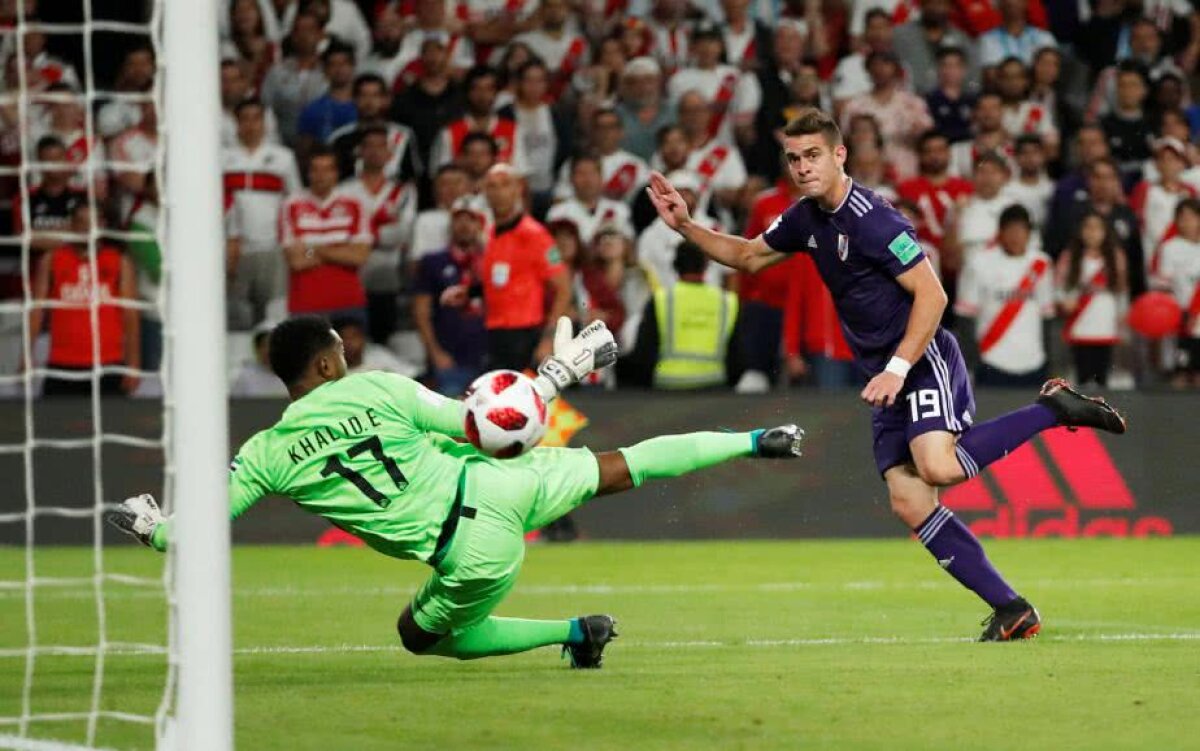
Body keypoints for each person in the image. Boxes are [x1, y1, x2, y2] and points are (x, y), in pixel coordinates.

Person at [645, 107, 1129, 640]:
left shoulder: (874, 218)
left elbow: (933, 294)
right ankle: (1013, 608)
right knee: (910, 500)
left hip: (920, 360)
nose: (803, 168)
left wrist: (900, 367)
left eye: (812, 156)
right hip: (884, 375)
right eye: (793, 158)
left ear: (838, 154)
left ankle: (1051, 410)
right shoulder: (805, 217)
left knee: (938, 466)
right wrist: (686, 225)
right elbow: (749, 256)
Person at [106, 314, 803, 667]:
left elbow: (202, 529)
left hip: (471, 548)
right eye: (341, 354)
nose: (349, 359)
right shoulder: (378, 387)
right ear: (325, 362)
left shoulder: (264, 453)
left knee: (420, 636)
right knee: (626, 465)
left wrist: (152, 527)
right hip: (500, 479)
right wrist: (553, 376)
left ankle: (576, 631)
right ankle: (755, 438)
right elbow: (475, 424)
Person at [27, 203, 140, 397]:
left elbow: (131, 316)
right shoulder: (51, 260)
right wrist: (27, 355)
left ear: (103, 224)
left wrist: (134, 364)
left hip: (109, 364)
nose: (87, 229)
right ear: (71, 225)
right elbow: (36, 311)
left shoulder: (119, 262)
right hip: (62, 364)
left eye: (93, 222)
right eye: (81, 223)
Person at [480, 164, 571, 371]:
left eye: (505, 185)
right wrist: (469, 292)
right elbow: (501, 280)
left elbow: (563, 288)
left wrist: (549, 339)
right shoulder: (491, 233)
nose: (499, 192)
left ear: (518, 189)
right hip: (495, 333)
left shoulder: (535, 235)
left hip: (525, 335)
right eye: (492, 186)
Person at [954, 205, 1055, 387]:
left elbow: (1047, 317)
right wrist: (972, 361)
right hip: (992, 361)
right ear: (1000, 232)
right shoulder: (979, 263)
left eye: (1021, 229)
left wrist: (1049, 360)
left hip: (1034, 362)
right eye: (1010, 229)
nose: (1016, 235)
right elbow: (965, 318)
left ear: (1029, 233)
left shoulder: (1041, 263)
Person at [622, 242, 739, 389]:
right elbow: (738, 355)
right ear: (706, 265)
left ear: (675, 265)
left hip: (668, 384)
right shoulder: (727, 302)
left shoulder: (661, 300)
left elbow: (644, 353)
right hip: (714, 383)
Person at [279, 147, 371, 320]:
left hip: (349, 303)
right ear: (308, 173)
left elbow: (359, 256)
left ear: (336, 173)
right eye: (315, 169)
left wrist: (312, 249)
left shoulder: (355, 205)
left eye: (327, 169)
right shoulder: (291, 205)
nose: (321, 175)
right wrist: (341, 250)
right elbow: (296, 261)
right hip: (305, 305)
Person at [413, 199, 489, 396]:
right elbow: (421, 312)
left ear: (481, 224)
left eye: (470, 220)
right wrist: (435, 353)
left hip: (489, 356)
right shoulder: (433, 262)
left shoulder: (493, 261)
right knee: (451, 419)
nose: (464, 225)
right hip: (449, 358)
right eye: (458, 220)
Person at [1056, 211, 1128, 388]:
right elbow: (1059, 288)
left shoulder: (1115, 257)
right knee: (1080, 379)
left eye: (1097, 228)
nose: (1092, 232)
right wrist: (1065, 302)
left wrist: (1123, 320)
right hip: (1079, 327)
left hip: (1105, 326)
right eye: (1088, 227)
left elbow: (1122, 292)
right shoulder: (1070, 257)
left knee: (1102, 380)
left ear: (1105, 232)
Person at [1155, 198, 1200, 387]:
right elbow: (1164, 287)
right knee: (1180, 372)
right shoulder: (1169, 248)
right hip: (1181, 319)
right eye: (1182, 218)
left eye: (1192, 217)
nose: (1187, 222)